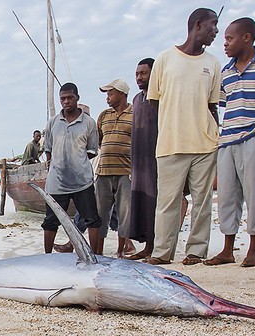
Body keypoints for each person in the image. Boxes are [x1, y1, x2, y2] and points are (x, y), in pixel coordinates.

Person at [204, 18, 255, 268]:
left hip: (254, 138)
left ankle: (253, 249)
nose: (225, 44)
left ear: (247, 38)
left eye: (229, 38)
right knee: (227, 195)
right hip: (227, 140)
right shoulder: (226, 73)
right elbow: (221, 107)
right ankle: (227, 249)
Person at [145, 8, 221, 266]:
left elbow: (213, 106)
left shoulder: (212, 63)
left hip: (205, 143)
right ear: (197, 25)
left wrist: (216, 136)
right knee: (167, 202)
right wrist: (173, 125)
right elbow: (154, 103)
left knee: (202, 202)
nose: (216, 31)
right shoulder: (165, 59)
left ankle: (196, 251)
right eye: (213, 25)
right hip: (170, 143)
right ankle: (162, 252)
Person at [41, 83, 101, 254]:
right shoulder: (52, 122)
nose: (66, 101)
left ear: (77, 98)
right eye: (62, 99)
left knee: (92, 219)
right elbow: (48, 148)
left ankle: (94, 255)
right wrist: (55, 165)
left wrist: (76, 162)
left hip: (82, 181)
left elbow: (91, 150)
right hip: (56, 183)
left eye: (70, 98)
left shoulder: (89, 123)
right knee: (50, 221)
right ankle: (47, 257)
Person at [95, 79, 133, 257]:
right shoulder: (103, 116)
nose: (107, 98)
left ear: (122, 94)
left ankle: (120, 251)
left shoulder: (134, 114)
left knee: (125, 213)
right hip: (103, 172)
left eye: (111, 94)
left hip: (126, 171)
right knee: (100, 214)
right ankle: (98, 251)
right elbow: (100, 140)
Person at [127, 58, 159, 260]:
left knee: (156, 202)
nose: (139, 77)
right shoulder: (137, 99)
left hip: (155, 156)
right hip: (139, 159)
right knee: (142, 201)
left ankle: (154, 247)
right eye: (137, 74)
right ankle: (147, 246)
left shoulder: (160, 97)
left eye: (143, 73)